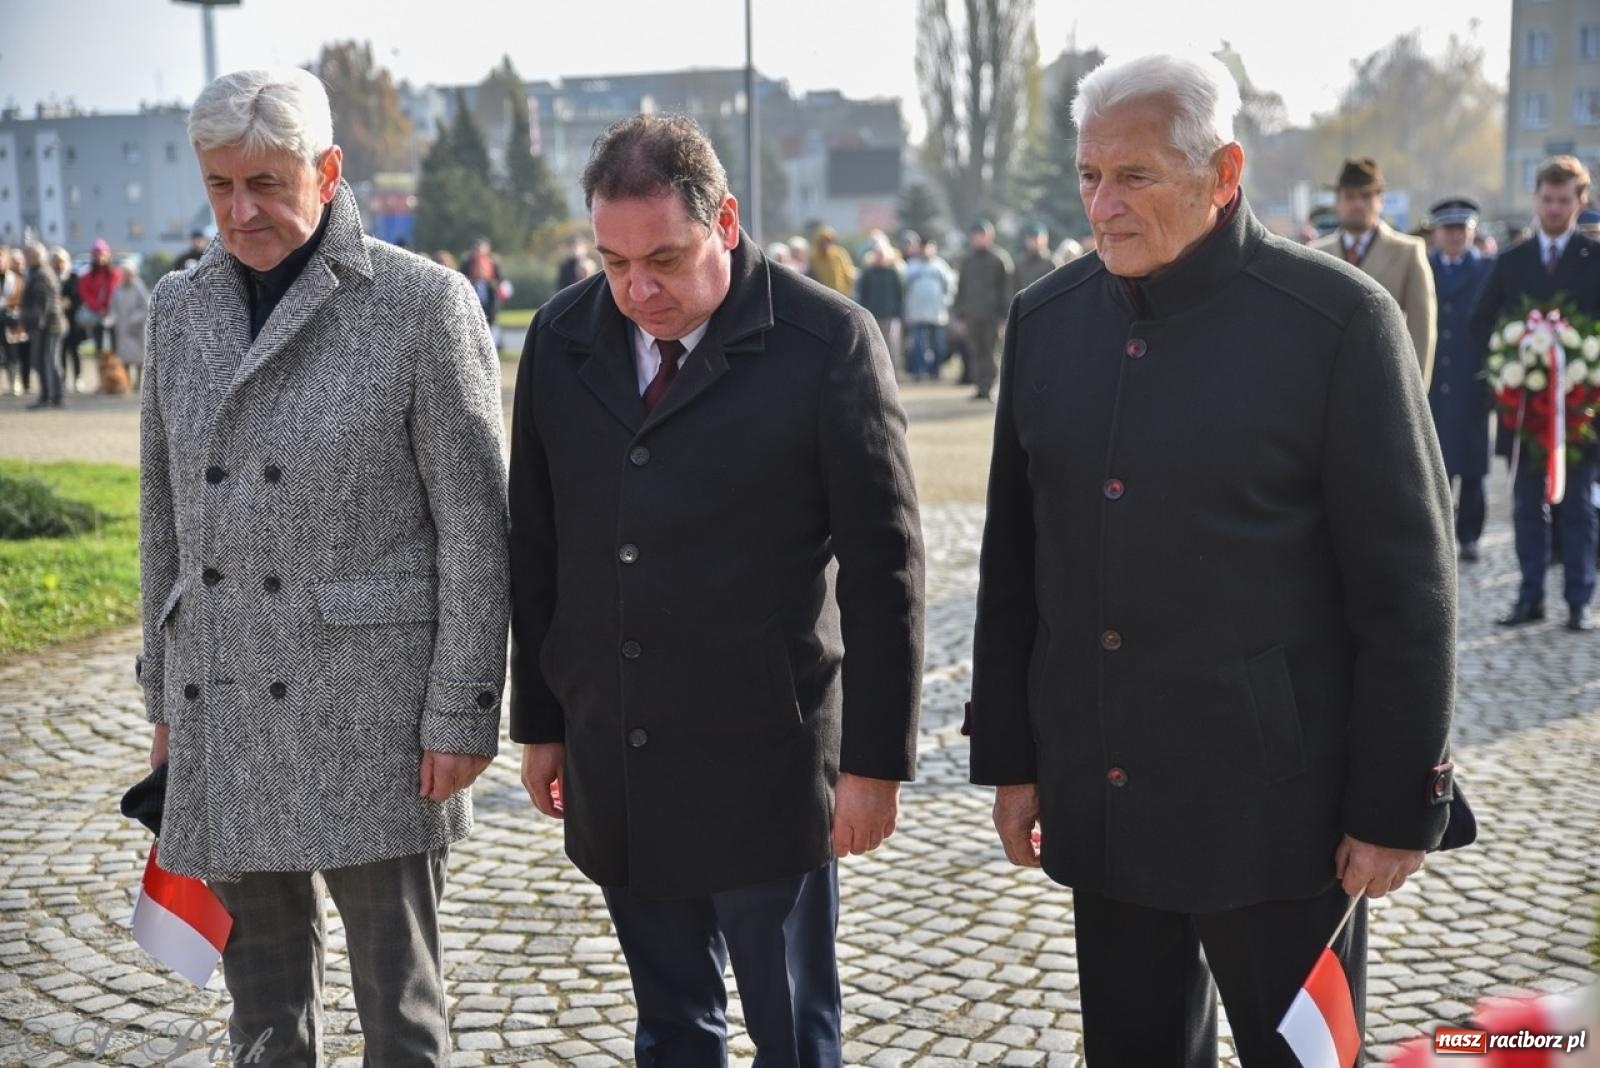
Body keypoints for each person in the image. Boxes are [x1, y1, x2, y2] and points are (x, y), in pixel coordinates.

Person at [968, 52, 1459, 1067]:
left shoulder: (1338, 321)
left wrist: (1394, 806)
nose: (1102, 205)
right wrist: (1013, 760)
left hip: (1281, 821)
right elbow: (1013, 565)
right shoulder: (1046, 320)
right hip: (1107, 803)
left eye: (1134, 176)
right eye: (1089, 175)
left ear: (1223, 172)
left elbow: (1407, 588)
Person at [509, 113, 925, 1068]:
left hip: (767, 761)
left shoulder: (828, 342)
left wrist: (872, 767)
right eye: (613, 262)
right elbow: (536, 542)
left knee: (793, 1033)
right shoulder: (562, 337)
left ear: (725, 222)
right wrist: (543, 721)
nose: (637, 290)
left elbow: (886, 565)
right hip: (620, 748)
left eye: (664, 258)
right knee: (671, 1028)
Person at [140, 67, 510, 1065]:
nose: (241, 211)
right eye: (220, 186)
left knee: (402, 1014)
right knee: (261, 1017)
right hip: (225, 704)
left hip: (376, 722)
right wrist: (166, 701)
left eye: (266, 182)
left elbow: (478, 529)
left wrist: (462, 713)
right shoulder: (177, 309)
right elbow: (164, 520)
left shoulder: (422, 304)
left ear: (329, 170)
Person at [1469, 155, 1600, 631]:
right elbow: (1480, 321)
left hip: (1581, 409)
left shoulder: (1594, 259)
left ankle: (1579, 600)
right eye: (1547, 199)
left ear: (1580, 201)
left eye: (1564, 200)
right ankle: (1530, 597)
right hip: (1523, 407)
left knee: (1578, 504)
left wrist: (1586, 363)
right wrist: (1506, 364)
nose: (1554, 208)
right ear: (1536, 198)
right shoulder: (1512, 260)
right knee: (1527, 504)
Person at [1311, 158, 1437, 387]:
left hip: (1386, 383)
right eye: (1350, 196)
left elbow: (1422, 328)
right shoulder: (1316, 253)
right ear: (1337, 201)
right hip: (1328, 384)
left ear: (1381, 201)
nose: (1358, 204)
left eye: (1366, 196)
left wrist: (1415, 393)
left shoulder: (1408, 251)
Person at [1426, 197, 1497, 564]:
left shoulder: (1487, 268)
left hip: (1472, 378)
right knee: (1434, 462)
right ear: (1436, 233)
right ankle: (1437, 535)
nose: (1455, 236)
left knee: (1472, 466)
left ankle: (1469, 534)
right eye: (1448, 229)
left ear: (1472, 231)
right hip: (1434, 380)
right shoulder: (1424, 266)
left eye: (1462, 229)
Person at [954, 218, 1013, 401]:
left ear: (990, 236)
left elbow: (1007, 288)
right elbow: (961, 288)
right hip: (972, 315)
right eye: (976, 235)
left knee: (991, 352)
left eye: (982, 235)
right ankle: (980, 387)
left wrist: (1004, 315)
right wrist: (960, 314)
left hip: (992, 315)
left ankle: (990, 387)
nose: (979, 238)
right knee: (975, 351)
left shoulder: (999, 259)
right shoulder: (967, 260)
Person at [902, 233, 956, 381]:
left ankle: (935, 371)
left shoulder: (941, 266)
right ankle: (918, 371)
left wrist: (946, 303)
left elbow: (950, 288)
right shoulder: (912, 266)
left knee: (938, 345)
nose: (926, 250)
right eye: (923, 247)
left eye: (929, 247)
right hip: (916, 313)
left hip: (937, 313)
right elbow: (904, 289)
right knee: (917, 345)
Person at [19, 242, 66, 409]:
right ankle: (52, 396)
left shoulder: (41, 274)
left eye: (27, 255)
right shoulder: (39, 272)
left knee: (46, 361)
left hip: (49, 325)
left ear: (36, 256)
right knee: (47, 361)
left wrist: (37, 322)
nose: (24, 259)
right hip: (49, 324)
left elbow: (43, 302)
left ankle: (50, 397)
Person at [855, 242, 904, 368]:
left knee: (891, 345)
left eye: (882, 254)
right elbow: (862, 294)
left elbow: (899, 294)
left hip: (889, 316)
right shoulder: (868, 273)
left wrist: (898, 312)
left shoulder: (892, 273)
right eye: (878, 254)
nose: (880, 257)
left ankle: (892, 370)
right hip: (872, 315)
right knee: (873, 344)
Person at [109, 256, 151, 391]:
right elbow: (113, 306)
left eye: (128, 274)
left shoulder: (139, 287)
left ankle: (139, 382)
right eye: (124, 273)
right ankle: (126, 382)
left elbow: (146, 307)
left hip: (137, 329)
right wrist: (111, 318)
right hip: (122, 328)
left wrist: (135, 318)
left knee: (139, 358)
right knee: (124, 358)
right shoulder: (118, 288)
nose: (126, 276)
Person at [78, 238, 121, 358]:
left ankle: (115, 367)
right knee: (98, 345)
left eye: (102, 254)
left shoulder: (115, 274)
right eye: (96, 255)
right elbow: (85, 294)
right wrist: (99, 307)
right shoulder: (87, 276)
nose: (99, 258)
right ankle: (101, 367)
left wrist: (109, 307)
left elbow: (116, 291)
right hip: (96, 314)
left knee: (115, 345)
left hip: (113, 313)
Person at [51, 247, 86, 394]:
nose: (59, 264)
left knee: (75, 351)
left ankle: (77, 378)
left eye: (61, 261)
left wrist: (70, 302)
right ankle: (63, 379)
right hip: (57, 320)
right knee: (61, 352)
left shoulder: (74, 277)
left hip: (73, 320)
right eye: (56, 262)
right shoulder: (51, 277)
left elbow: (80, 296)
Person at [463, 236, 506, 345]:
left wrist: (490, 282)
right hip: (472, 295)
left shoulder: (494, 262)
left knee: (491, 323)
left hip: (490, 297)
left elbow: (501, 280)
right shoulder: (467, 262)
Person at [0, 245, 27, 397]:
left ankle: (14, 382)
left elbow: (20, 299)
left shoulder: (16, 280)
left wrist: (5, 304)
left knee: (12, 354)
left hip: (10, 322)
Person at [808, 225, 857, 296]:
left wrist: (849, 289)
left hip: (840, 294)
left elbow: (848, 272)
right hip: (822, 294)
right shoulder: (814, 258)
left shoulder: (839, 254)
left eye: (828, 241)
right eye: (822, 241)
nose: (825, 244)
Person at [1014, 223, 1059, 290]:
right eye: (1030, 239)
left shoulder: (1052, 262)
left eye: (1036, 239)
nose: (1033, 242)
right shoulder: (1019, 262)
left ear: (1045, 239)